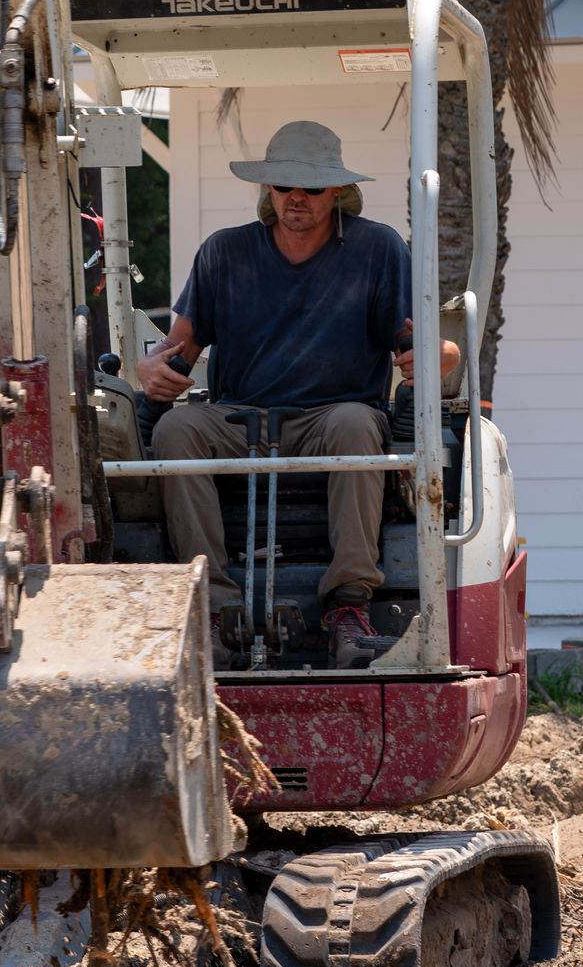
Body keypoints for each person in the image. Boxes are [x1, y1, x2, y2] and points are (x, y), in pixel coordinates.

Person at [139, 121, 458, 667]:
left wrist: (441, 358)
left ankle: (349, 606)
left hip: (333, 419)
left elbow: (425, 347)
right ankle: (211, 608)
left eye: (311, 187)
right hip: (238, 422)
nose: (296, 198)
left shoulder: (378, 248)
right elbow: (177, 350)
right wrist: (151, 369)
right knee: (174, 428)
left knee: (358, 424)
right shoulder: (224, 252)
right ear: (269, 190)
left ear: (338, 192)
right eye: (284, 185)